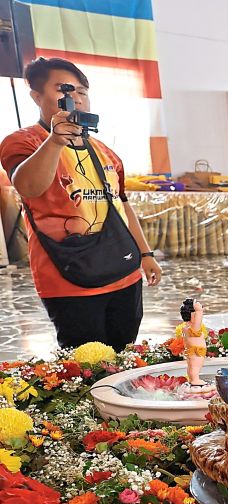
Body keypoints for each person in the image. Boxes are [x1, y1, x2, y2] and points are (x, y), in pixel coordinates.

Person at [1, 56, 162, 350]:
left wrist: (145, 253)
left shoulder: (105, 151)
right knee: (85, 363)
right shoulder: (23, 142)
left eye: (82, 91)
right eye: (64, 89)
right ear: (37, 96)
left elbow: (122, 205)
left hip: (123, 274)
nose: (75, 97)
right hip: (68, 276)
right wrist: (55, 140)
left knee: (124, 354)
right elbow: (27, 186)